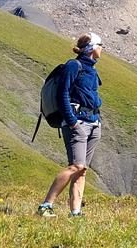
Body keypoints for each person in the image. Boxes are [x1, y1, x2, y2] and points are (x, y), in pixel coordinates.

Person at [37, 33, 104, 218]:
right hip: (78, 123)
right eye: (100, 45)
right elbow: (62, 94)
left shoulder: (91, 69)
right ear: (91, 47)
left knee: (82, 170)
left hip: (93, 123)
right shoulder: (74, 65)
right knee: (76, 166)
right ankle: (45, 205)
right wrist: (73, 122)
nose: (102, 48)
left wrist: (97, 122)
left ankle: (76, 212)